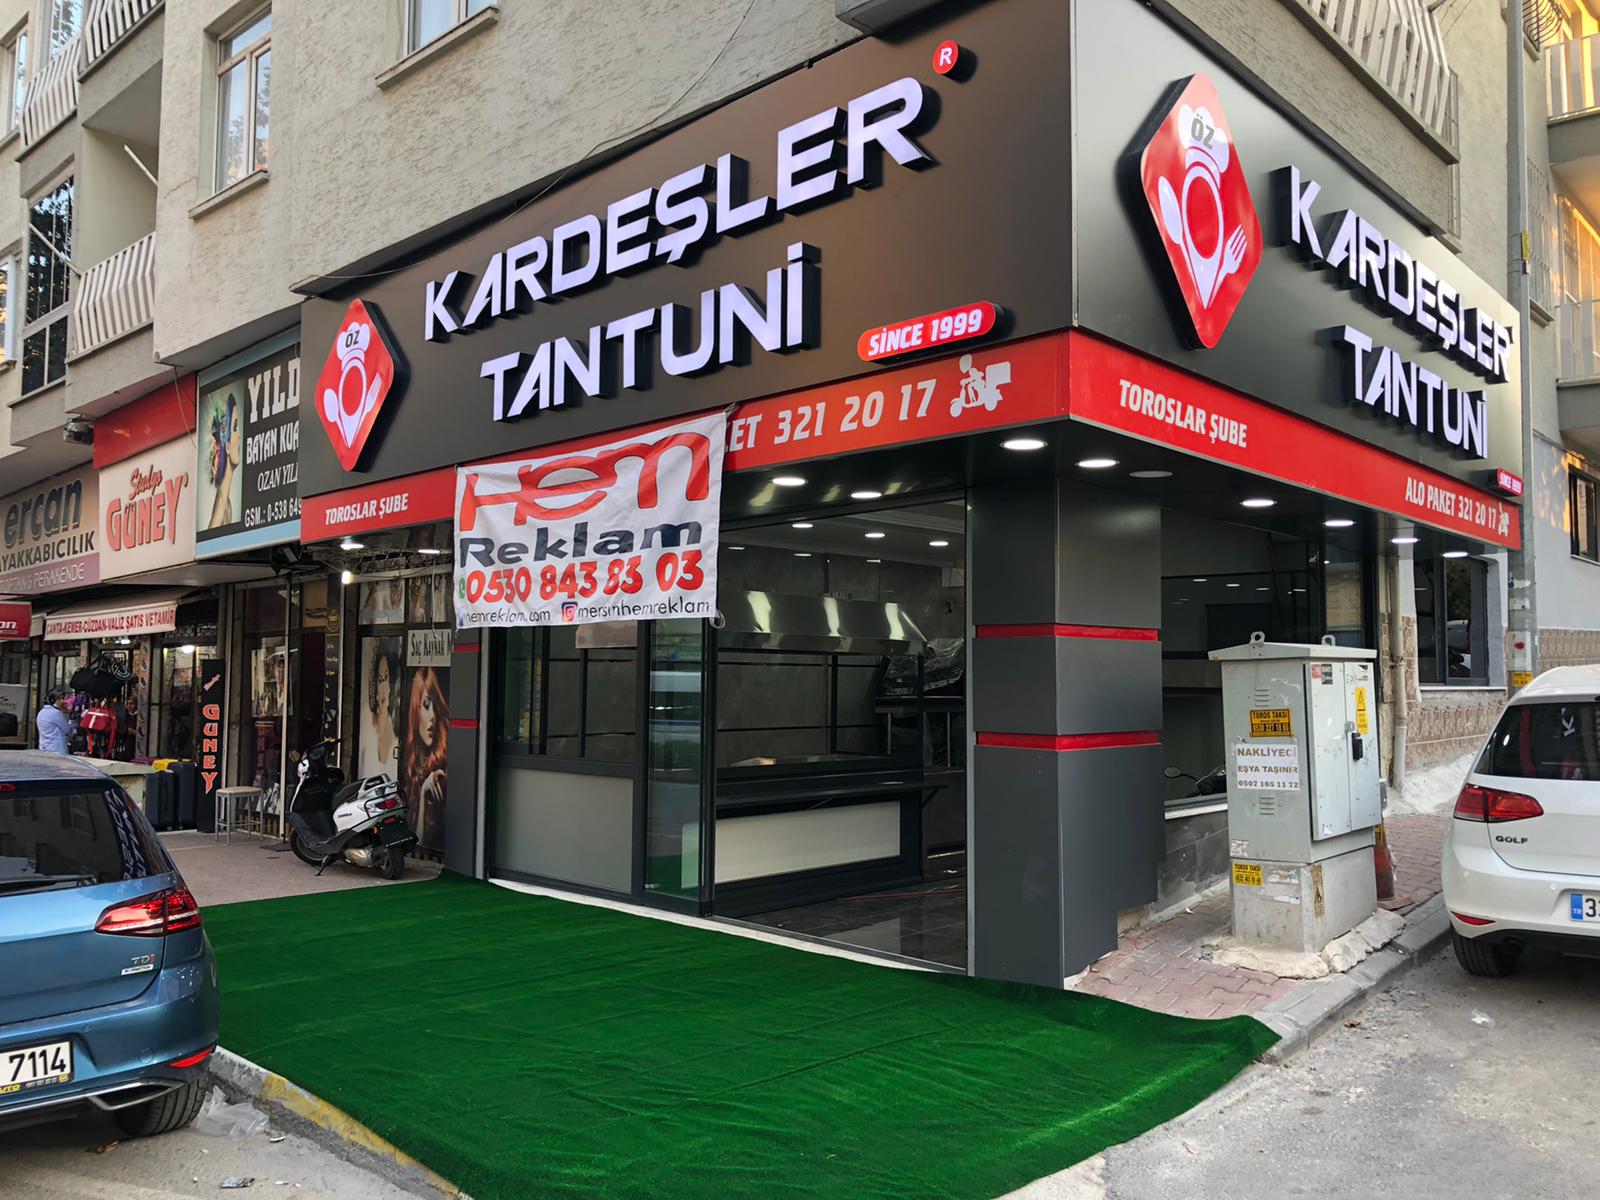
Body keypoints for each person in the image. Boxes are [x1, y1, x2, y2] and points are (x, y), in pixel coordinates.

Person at [402, 668, 449, 849]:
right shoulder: (413, 764)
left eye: (436, 707)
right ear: (415, 710)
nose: (432, 717)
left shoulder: (441, 771)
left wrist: (424, 797)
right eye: (426, 705)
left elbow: (421, 844)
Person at [36, 689, 76, 754]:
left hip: (44, 747)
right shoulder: (56, 713)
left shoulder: (41, 712)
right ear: (54, 700)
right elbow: (67, 729)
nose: (62, 701)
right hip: (57, 749)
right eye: (60, 699)